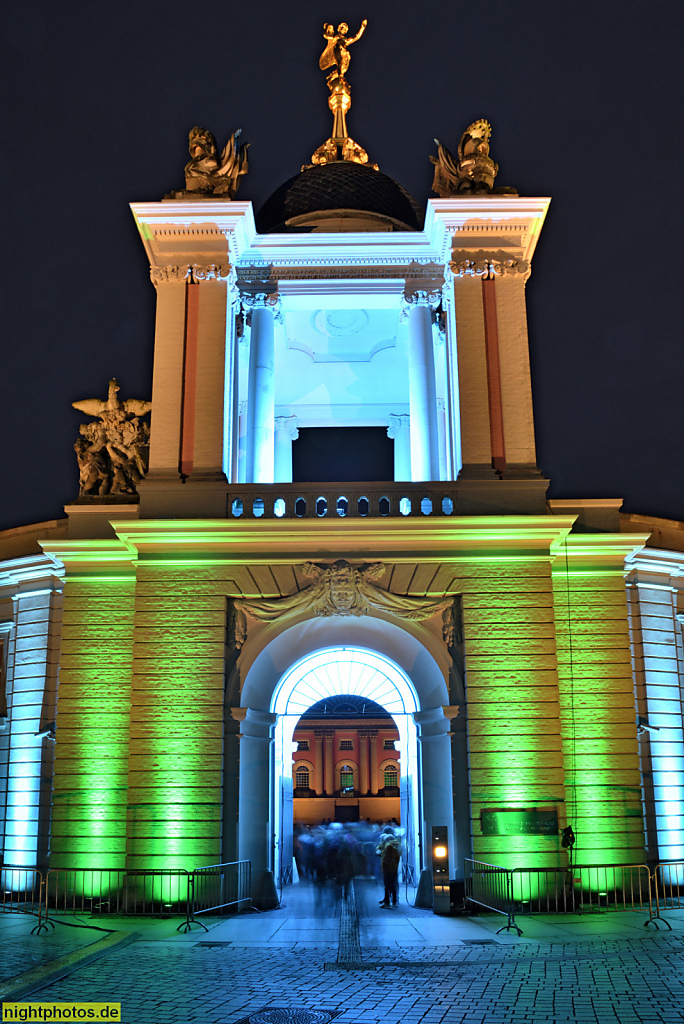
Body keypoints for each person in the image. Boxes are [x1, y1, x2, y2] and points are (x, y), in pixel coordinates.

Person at [376, 826, 400, 908]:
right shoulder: (394, 844)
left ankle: (388, 901)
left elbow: (385, 858)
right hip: (394, 868)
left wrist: (381, 853)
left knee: (388, 885)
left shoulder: (388, 846)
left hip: (388, 869)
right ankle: (393, 900)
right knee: (392, 884)